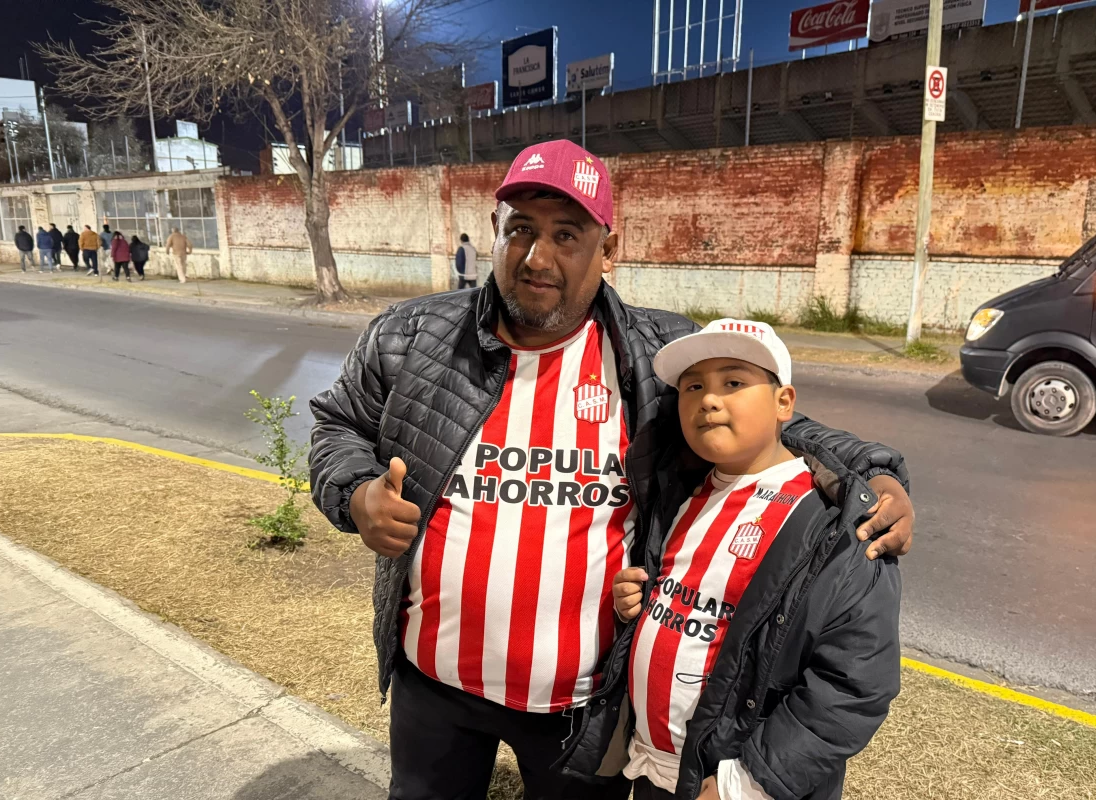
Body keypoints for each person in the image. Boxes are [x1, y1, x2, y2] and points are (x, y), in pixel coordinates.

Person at [308, 140, 914, 800]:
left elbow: (764, 420)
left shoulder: (657, 357)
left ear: (609, 248)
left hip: (583, 704)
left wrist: (875, 473)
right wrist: (355, 495)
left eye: (567, 235)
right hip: (433, 687)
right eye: (521, 230)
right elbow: (338, 424)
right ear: (494, 232)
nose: (538, 256)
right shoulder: (410, 335)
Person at [602, 319, 900, 800]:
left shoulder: (836, 525)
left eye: (734, 382)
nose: (709, 399)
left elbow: (853, 684)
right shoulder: (679, 492)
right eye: (693, 386)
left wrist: (745, 784)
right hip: (655, 771)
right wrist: (635, 603)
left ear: (784, 402)